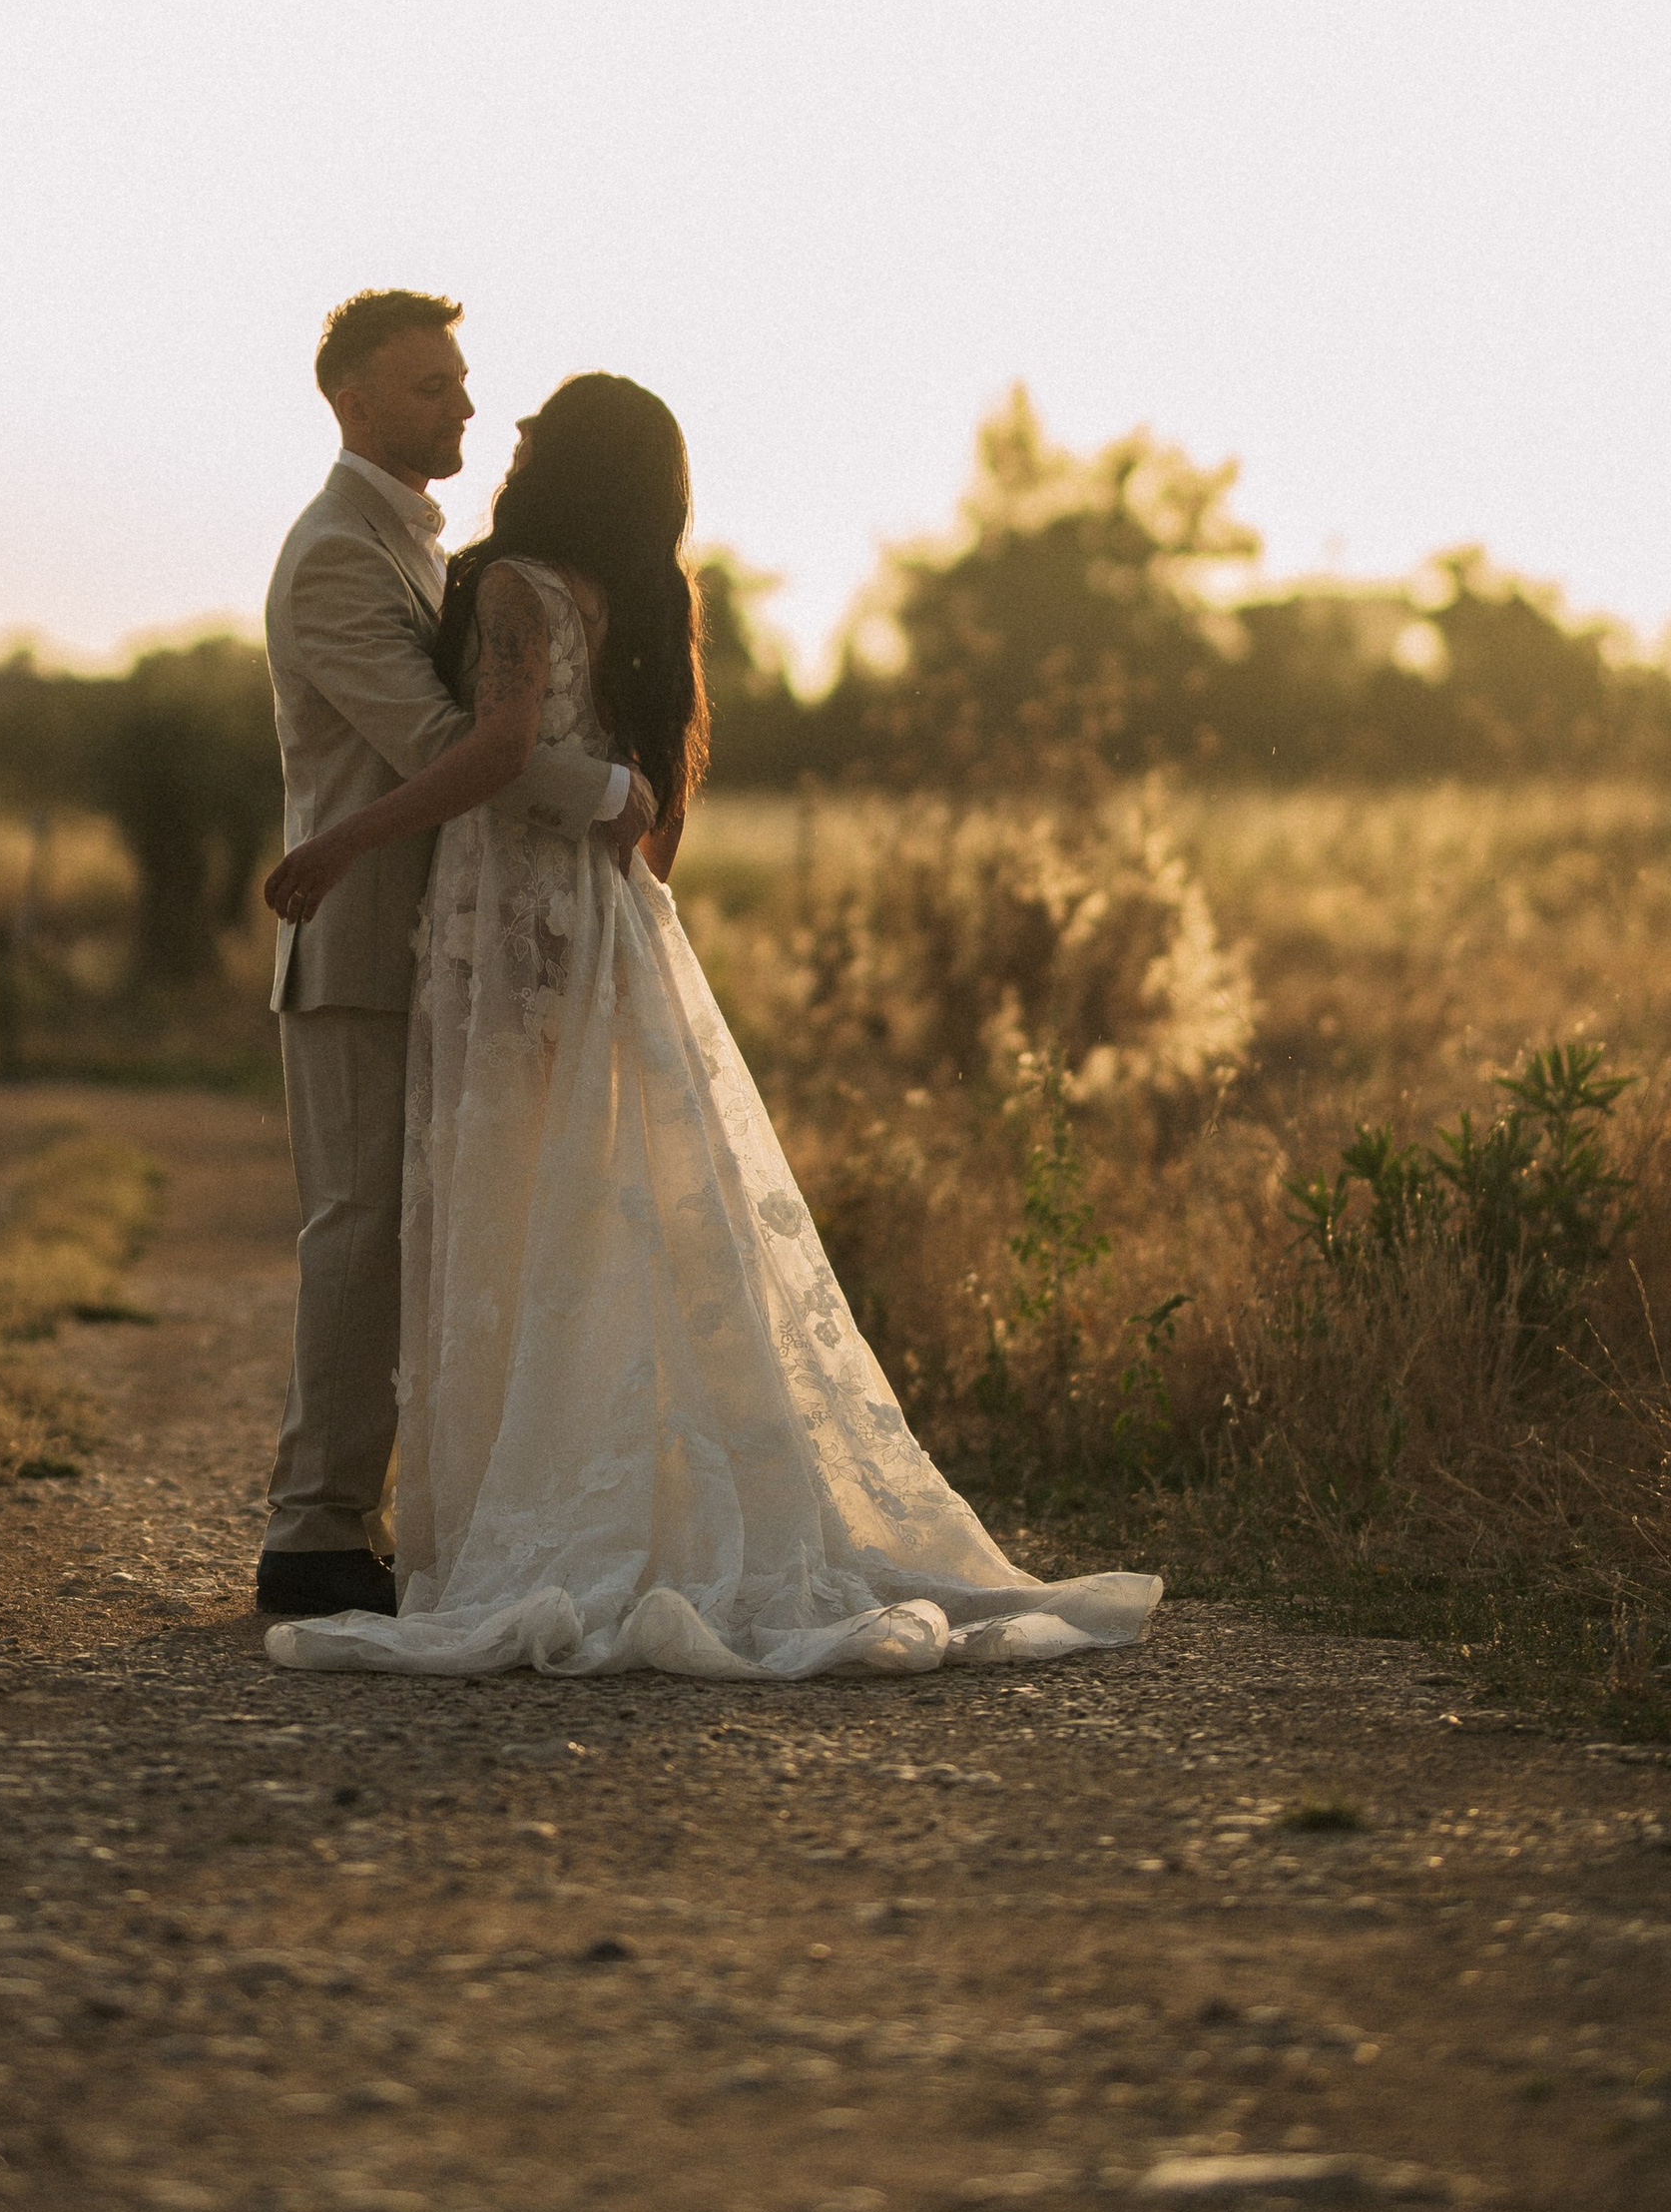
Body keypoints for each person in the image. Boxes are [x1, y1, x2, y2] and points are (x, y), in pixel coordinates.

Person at [260, 370, 1160, 1680]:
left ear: (569, 459)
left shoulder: (513, 586)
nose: (505, 429)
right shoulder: (646, 594)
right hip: (604, 914)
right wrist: (624, 887)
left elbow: (496, 750)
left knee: (503, 1207)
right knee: (585, 1201)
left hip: (506, 915)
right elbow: (660, 794)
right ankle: (582, 1488)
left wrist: (342, 841)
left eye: (535, 425)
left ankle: (510, 1512)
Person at [256, 291, 655, 1621]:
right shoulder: (336, 557)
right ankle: (313, 1532)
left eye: (462, 381)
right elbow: (446, 747)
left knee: (442, 1238)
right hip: (365, 942)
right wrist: (605, 791)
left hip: (455, 949)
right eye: (431, 387)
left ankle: (416, 1516)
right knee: (361, 1235)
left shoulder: (424, 551)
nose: (466, 407)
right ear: (354, 402)